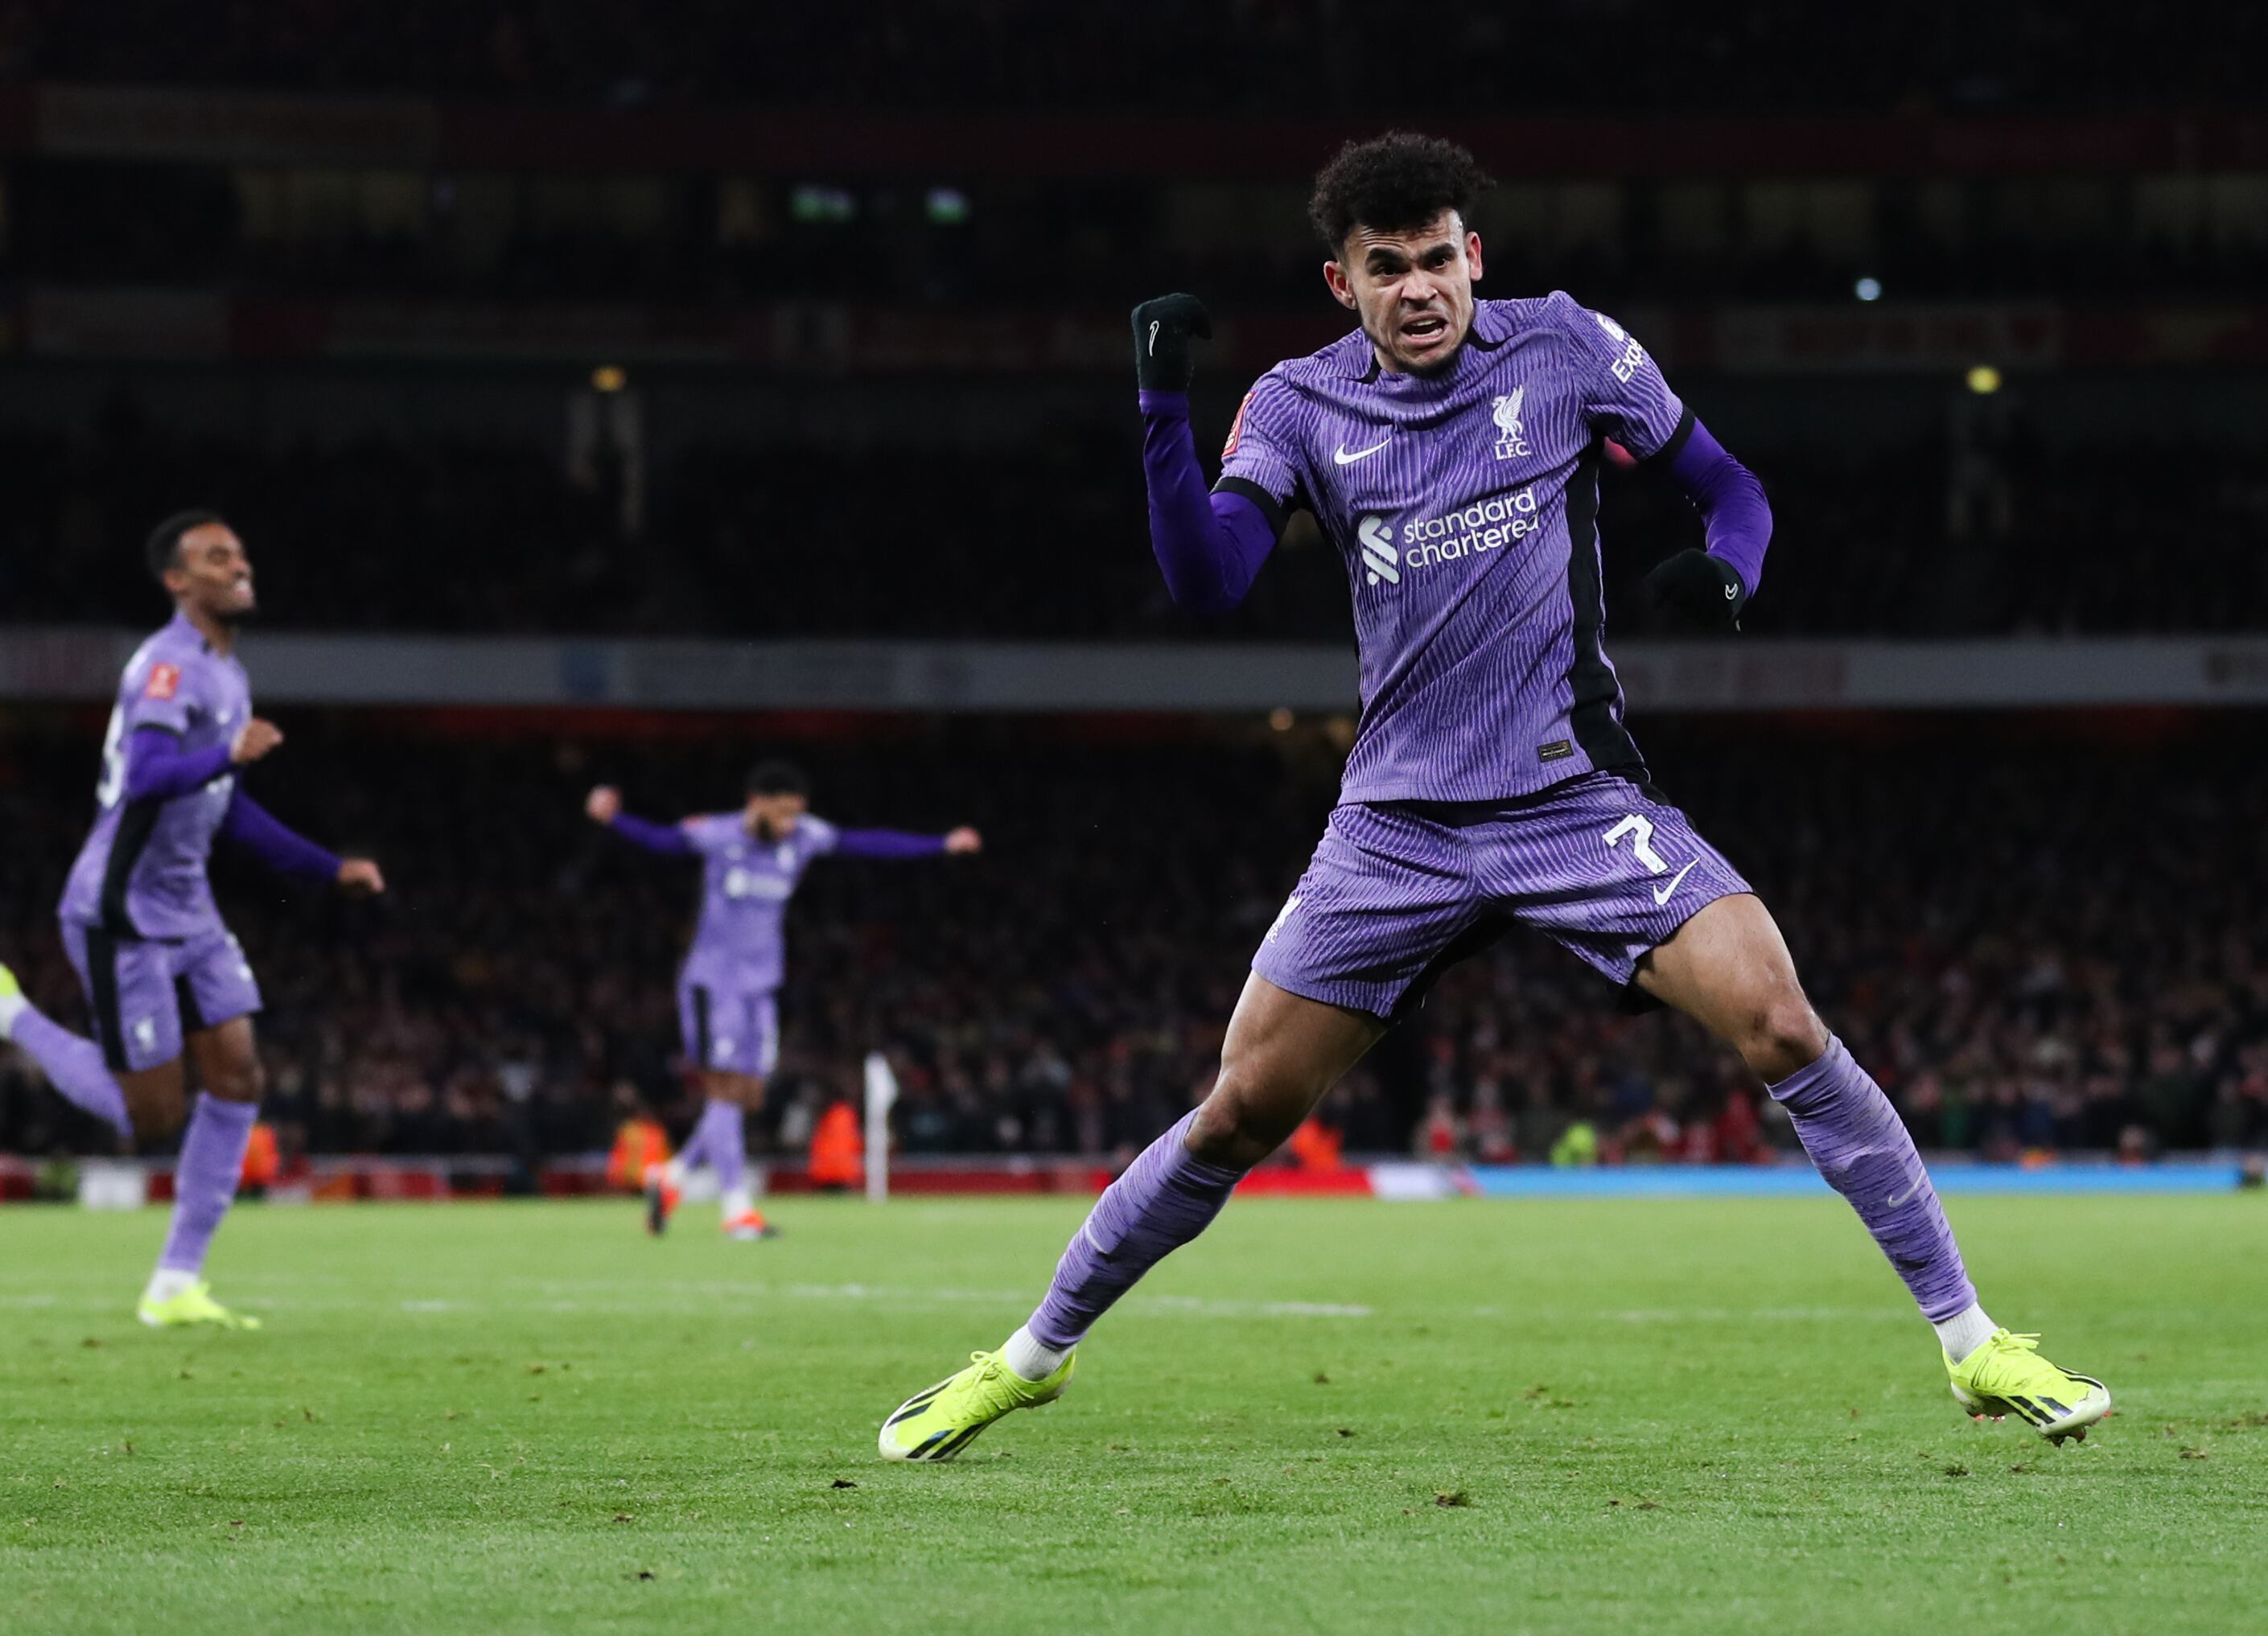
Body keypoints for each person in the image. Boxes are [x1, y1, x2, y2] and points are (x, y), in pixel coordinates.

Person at [879, 133, 2109, 1461]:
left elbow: (1730, 487)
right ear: (1342, 283)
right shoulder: (1297, 403)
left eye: (1440, 257)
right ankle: (1027, 1358)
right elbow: (1208, 580)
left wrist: (1729, 574)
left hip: (1565, 791)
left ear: (1478, 256)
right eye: (1387, 266)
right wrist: (1161, 415)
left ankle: (1974, 1342)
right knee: (1237, 1109)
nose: (1421, 287)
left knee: (1779, 1021)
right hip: (1394, 824)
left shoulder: (1568, 346)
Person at [0, 511, 384, 1328]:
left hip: (188, 908)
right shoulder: (167, 669)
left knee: (239, 1074)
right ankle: (4, 1008)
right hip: (121, 911)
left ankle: (175, 1282)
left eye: (239, 551)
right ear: (178, 581)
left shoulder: (228, 674)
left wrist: (326, 867)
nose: (237, 564)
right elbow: (146, 776)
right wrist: (226, 755)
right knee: (153, 1115)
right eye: (215, 556)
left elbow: (227, 810)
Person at [587, 762, 978, 1238]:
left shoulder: (804, 839)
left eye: (797, 814)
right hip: (715, 985)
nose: (791, 824)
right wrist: (615, 819)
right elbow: (664, 842)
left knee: (746, 1096)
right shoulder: (718, 834)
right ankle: (737, 1212)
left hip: (761, 986)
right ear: (756, 803)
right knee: (724, 1090)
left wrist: (940, 844)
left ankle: (672, 1176)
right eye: (783, 813)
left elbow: (868, 842)